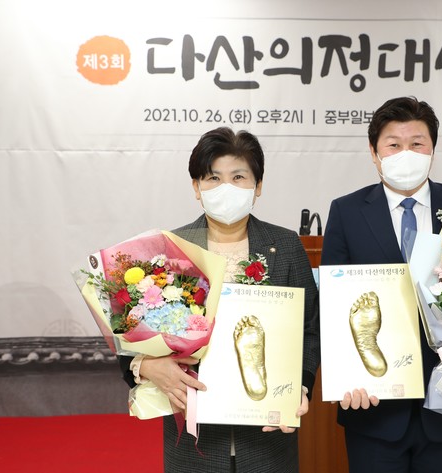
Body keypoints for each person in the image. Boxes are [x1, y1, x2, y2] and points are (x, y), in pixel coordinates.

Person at [119, 127, 320, 473]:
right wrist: (146, 366)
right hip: (194, 438)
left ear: (258, 186)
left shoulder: (286, 246)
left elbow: (310, 329)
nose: (226, 187)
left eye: (238, 177)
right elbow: (129, 335)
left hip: (267, 435)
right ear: (196, 187)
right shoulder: (170, 250)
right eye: (213, 178)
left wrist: (299, 385)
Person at [320, 96, 442, 473]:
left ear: (433, 150)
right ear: (374, 152)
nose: (406, 154)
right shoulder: (346, 212)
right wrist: (346, 375)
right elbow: (331, 304)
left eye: (417, 144)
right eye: (393, 145)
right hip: (373, 406)